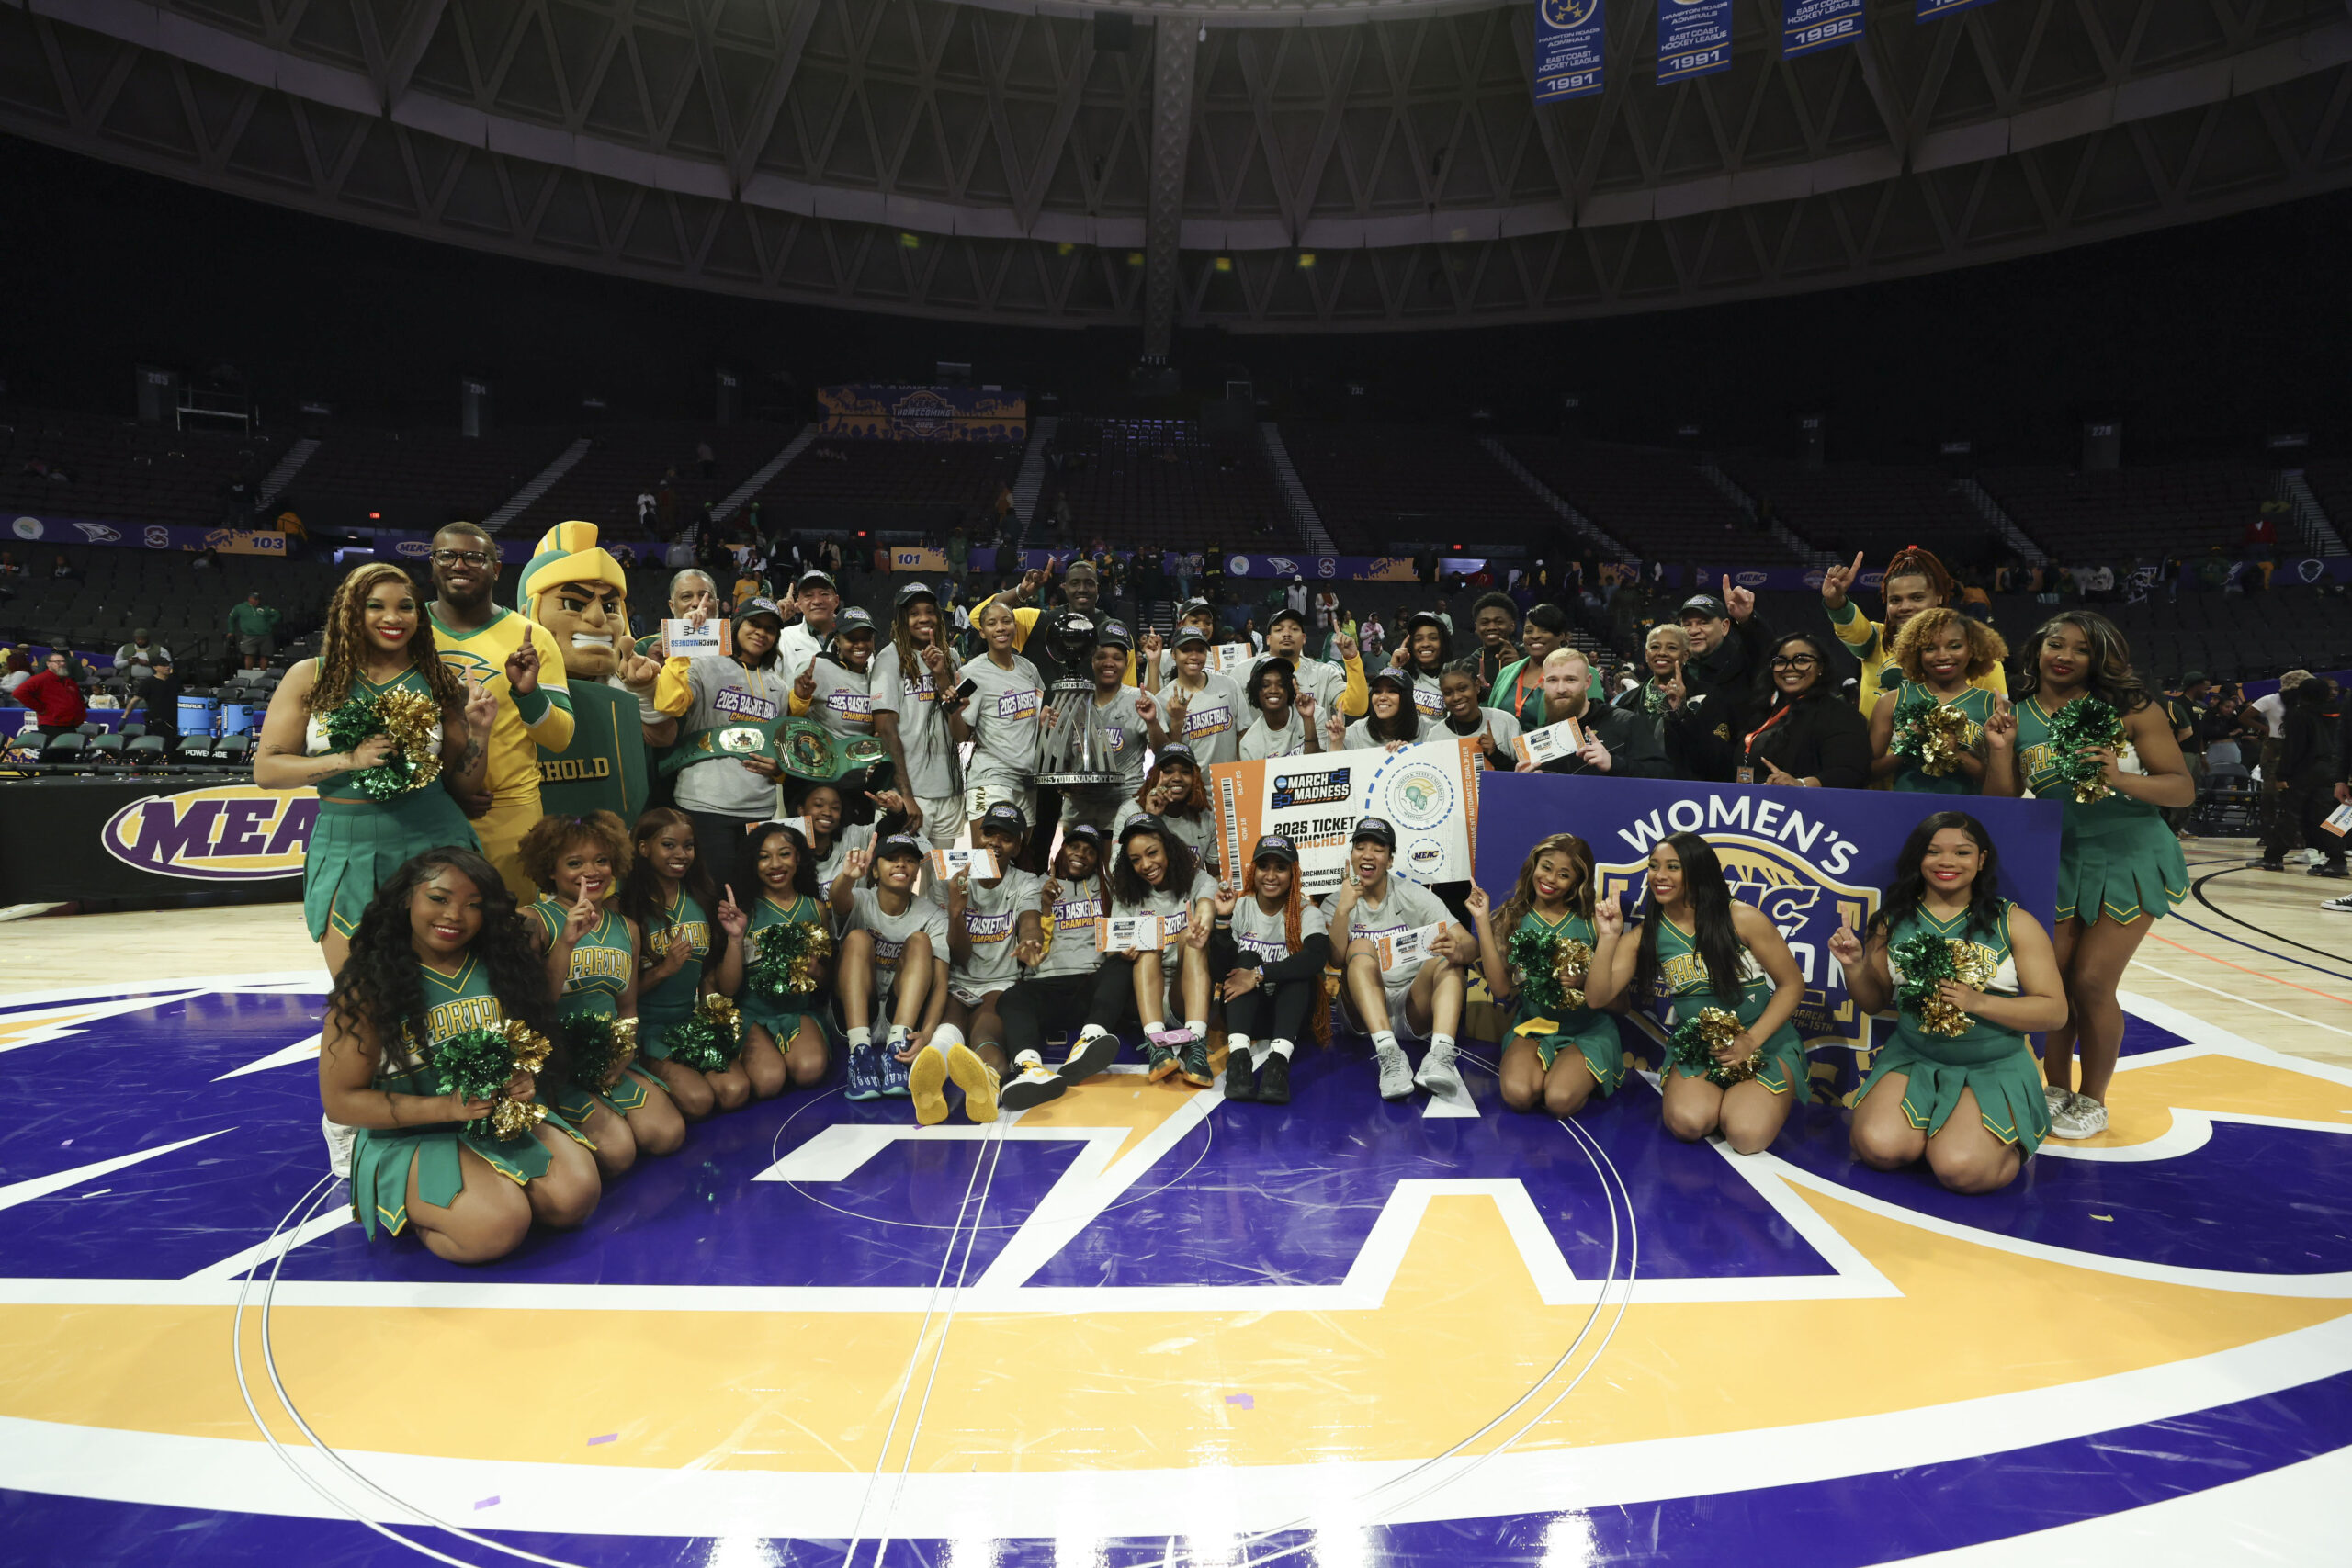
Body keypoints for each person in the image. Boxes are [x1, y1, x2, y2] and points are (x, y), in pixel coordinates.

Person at [319, 848, 600, 1263]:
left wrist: (523, 1077)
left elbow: (530, 1033)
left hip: (489, 1122)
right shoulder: (368, 987)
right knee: (496, 1229)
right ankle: (411, 1202)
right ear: (406, 899)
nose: (454, 915)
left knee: (575, 1198)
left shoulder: (500, 966)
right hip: (409, 1135)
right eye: (439, 898)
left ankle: (481, 1190)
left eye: (474, 905)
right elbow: (341, 1102)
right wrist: (446, 1108)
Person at [1982, 610, 2194, 1139]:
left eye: (2081, 649)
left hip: (2130, 853)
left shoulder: (2132, 708)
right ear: (2038, 648)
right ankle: (2055, 1087)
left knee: (2092, 982)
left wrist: (2119, 776)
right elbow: (2001, 801)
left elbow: (2180, 788)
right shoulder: (2016, 713)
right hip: (2058, 857)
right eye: (2056, 644)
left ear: (2098, 659)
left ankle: (2094, 1098)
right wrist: (2001, 752)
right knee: (2051, 981)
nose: (2065, 656)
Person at [254, 564, 494, 976]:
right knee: (359, 992)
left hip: (436, 838)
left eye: (406, 607)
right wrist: (347, 760)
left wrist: (480, 733)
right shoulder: (310, 676)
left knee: (442, 988)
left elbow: (461, 786)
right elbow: (268, 770)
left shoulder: (439, 681)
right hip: (347, 846)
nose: (393, 617)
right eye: (376, 606)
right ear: (350, 612)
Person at [1829, 812, 2070, 1193]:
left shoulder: (2013, 922)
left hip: (1991, 1064)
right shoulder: (1893, 919)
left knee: (1962, 1171)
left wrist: (1978, 1003)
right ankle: (1935, 1131)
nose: (1947, 862)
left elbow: (2055, 1012)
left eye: (1962, 852)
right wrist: (1854, 966)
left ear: (1981, 859)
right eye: (1933, 851)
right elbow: (1873, 1003)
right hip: (1914, 1057)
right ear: (1918, 858)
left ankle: (2001, 1142)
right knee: (1877, 1149)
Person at [1586, 832, 1809, 1153]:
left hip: (1762, 1042)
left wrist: (1751, 1040)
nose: (1659, 875)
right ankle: (1723, 1100)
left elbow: (1792, 985)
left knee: (1745, 1136)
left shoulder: (1742, 918)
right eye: (1653, 866)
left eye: (1673, 867)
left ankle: (1748, 1102)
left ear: (1697, 871)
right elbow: (1597, 998)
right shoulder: (1646, 934)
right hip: (1700, 1047)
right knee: (1688, 1123)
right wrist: (1608, 937)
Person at [518, 811, 687, 1178]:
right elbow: (532, 1010)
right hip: (554, 1065)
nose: (591, 872)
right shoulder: (532, 921)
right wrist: (566, 942)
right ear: (550, 869)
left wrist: (624, 1054)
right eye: (575, 863)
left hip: (606, 1059)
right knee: (618, 1153)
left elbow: (627, 1008)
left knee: (668, 1135)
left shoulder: (627, 927)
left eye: (601, 860)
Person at [426, 523, 576, 901]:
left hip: (509, 813)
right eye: (447, 555)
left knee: (512, 926)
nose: (459, 564)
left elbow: (560, 738)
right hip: (424, 808)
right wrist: (448, 790)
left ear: (495, 570)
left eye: (473, 557)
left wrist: (528, 695)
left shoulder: (533, 637)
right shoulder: (408, 630)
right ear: (432, 564)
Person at [628, 595, 791, 895]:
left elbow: (777, 745)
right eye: (754, 623)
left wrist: (778, 768)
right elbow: (669, 704)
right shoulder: (703, 665)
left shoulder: (778, 686)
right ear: (736, 625)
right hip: (705, 805)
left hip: (759, 808)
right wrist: (682, 646)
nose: (761, 632)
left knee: (750, 896)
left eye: (770, 628)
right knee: (712, 897)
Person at [1468, 833, 1624, 1117]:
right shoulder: (1513, 916)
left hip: (1587, 1030)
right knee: (1517, 1095)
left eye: (1563, 874)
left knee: (1559, 1101)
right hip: (1536, 1026)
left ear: (1576, 882)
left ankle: (1570, 1072)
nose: (1550, 879)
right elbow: (1501, 990)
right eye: (1546, 867)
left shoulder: (1594, 922)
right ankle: (1551, 1068)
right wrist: (1481, 920)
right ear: (1534, 866)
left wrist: (1584, 982)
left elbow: (1621, 1004)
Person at [1329, 816, 1476, 1101]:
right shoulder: (1337, 901)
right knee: (1359, 946)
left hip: (1412, 1008)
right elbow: (1335, 960)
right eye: (1360, 847)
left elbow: (1470, 944)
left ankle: (1440, 1055)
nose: (1368, 854)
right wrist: (1342, 911)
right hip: (1363, 1017)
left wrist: (1458, 951)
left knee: (1448, 957)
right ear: (1352, 854)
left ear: (1390, 860)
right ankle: (1388, 1053)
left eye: (1378, 849)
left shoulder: (1412, 894)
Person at [622, 807, 751, 1120]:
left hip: (690, 1022)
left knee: (734, 1091)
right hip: (648, 1027)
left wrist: (735, 939)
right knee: (699, 1100)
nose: (681, 854)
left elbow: (724, 987)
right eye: (669, 845)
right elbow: (620, 997)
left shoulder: (702, 898)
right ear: (643, 848)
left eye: (688, 846)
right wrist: (663, 971)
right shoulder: (625, 908)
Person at [523, 522, 654, 820]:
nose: (597, 618)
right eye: (573, 603)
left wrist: (645, 693)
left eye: (610, 607)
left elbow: (657, 744)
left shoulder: (629, 684)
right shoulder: (508, 686)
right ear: (527, 614)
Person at [994, 823, 1118, 1106]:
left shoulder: (1108, 887)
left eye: (1089, 851)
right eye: (1074, 846)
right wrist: (1046, 907)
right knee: (1011, 997)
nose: (1081, 854)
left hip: (1090, 985)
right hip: (1046, 984)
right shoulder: (1036, 885)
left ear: (1098, 860)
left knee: (1119, 967)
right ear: (1062, 850)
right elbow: (1033, 935)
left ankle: (1090, 1040)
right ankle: (1029, 1067)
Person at [934, 803, 1043, 1121]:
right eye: (989, 833)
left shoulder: (1025, 882)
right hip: (957, 980)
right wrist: (956, 913)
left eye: (1006, 838)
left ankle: (989, 1082)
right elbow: (959, 956)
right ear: (977, 836)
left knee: (983, 1034)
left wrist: (1030, 940)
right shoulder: (951, 877)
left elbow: (1030, 922)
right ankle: (928, 1084)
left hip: (999, 984)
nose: (995, 842)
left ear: (1017, 847)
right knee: (947, 1028)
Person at [1097, 813, 1217, 1085]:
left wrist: (1202, 925)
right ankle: (1157, 1047)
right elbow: (1112, 949)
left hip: (1184, 996)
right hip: (1142, 998)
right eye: (1136, 859)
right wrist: (1123, 953)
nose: (1146, 865)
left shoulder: (1198, 880)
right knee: (1147, 939)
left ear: (1168, 848)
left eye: (1152, 853)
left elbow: (1206, 906)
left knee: (1190, 937)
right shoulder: (1127, 892)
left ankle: (1196, 1045)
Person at [1212, 833, 1331, 1106]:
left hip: (1290, 1017)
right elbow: (1220, 972)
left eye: (1281, 868)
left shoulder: (1306, 912)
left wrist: (1259, 974)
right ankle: (1238, 1060)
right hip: (1245, 1015)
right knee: (1246, 957)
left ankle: (1278, 1064)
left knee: (1297, 968)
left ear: (1293, 873)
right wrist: (1223, 920)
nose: (1271, 875)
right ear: (1253, 871)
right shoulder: (1240, 906)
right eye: (1264, 866)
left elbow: (1315, 958)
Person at [831, 833, 950, 1102]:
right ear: (875, 870)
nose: (901, 864)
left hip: (904, 1013)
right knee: (858, 938)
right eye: (892, 858)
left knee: (920, 941)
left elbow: (941, 982)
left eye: (909, 860)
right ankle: (860, 1054)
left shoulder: (933, 915)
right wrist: (847, 877)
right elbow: (838, 898)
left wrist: (927, 1033)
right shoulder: (860, 898)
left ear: (917, 872)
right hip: (857, 1011)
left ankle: (897, 1049)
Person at [1671, 631, 1870, 788]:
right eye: (1781, 662)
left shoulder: (1838, 714)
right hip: (1750, 811)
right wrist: (1680, 711)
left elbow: (1850, 771)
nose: (1789, 667)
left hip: (1803, 818)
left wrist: (1801, 784)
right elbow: (1717, 761)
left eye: (1802, 660)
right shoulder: (1761, 713)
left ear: (1821, 668)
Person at [1821, 546, 2005, 716]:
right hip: (1875, 741)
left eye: (1917, 598)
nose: (1905, 607)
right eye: (1895, 600)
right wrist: (1836, 601)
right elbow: (1849, 626)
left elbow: (1999, 721)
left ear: (1939, 597)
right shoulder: (1877, 640)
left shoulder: (1976, 653)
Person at [730, 819, 830, 1095]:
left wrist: (817, 972)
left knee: (810, 1070)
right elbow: (727, 988)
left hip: (798, 1010)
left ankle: (791, 1050)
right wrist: (733, 939)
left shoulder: (815, 908)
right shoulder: (743, 910)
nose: (775, 864)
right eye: (764, 857)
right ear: (753, 863)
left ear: (798, 858)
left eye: (784, 854)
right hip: (752, 1013)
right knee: (768, 1082)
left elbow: (827, 979)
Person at [1868, 608, 2008, 795]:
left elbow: (2004, 787)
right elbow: (1867, 773)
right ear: (1916, 653)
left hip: (1968, 809)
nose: (1942, 656)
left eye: (1955, 646)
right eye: (1930, 648)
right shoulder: (1891, 701)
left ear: (1973, 649)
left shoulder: (1994, 706)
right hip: (1905, 807)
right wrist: (1909, 747)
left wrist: (1957, 755)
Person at [872, 581, 965, 856]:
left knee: (942, 876)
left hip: (949, 791)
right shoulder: (889, 659)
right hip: (912, 792)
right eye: (914, 613)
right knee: (904, 871)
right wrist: (907, 796)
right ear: (902, 619)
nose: (924, 618)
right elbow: (887, 731)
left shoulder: (952, 657)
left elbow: (957, 725)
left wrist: (941, 676)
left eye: (929, 611)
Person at [1046, 618, 1153, 839]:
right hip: (1079, 810)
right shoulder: (1072, 702)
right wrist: (1053, 731)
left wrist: (1152, 722)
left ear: (1126, 662)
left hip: (1124, 806)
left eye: (1117, 658)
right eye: (1101, 656)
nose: (1109, 663)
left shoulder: (1140, 700)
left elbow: (1162, 750)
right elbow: (1063, 762)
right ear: (1092, 660)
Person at [1508, 647, 1672, 778]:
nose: (1560, 688)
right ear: (1543, 684)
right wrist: (1523, 782)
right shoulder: (1536, 739)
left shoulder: (1625, 722)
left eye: (1570, 679)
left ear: (1587, 682)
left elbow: (1663, 773)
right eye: (1553, 680)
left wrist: (1614, 763)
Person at [954, 602, 1046, 828]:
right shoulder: (972, 672)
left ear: (1015, 626)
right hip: (991, 778)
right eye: (992, 623)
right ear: (982, 632)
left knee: (1021, 850)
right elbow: (961, 735)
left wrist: (1043, 720)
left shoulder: (1029, 669)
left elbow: (1035, 720)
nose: (1000, 628)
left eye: (1006, 621)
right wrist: (954, 711)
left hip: (1026, 780)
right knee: (988, 850)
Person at [2259, 677, 2346, 875]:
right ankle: (2337, 860)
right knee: (2326, 817)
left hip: (2305, 771)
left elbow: (2293, 749)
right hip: (2330, 770)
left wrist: (2282, 774)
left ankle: (2273, 858)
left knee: (2289, 816)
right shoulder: (2338, 713)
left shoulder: (2300, 714)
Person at [1147, 626, 1247, 767]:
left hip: (1228, 778)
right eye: (1186, 650)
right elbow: (1165, 755)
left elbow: (1242, 734)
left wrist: (1242, 772)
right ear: (1173, 654)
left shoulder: (1229, 685)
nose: (1194, 656)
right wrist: (1176, 722)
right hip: (1190, 780)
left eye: (1200, 650)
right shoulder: (1163, 699)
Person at [1254, 605, 1364, 723]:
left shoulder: (1324, 673)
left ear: (1303, 638)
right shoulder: (1245, 671)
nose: (1287, 634)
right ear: (1268, 639)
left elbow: (1357, 707)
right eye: (1279, 630)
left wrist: (1352, 659)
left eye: (1294, 629)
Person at [789, 605, 879, 743]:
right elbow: (785, 717)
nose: (860, 645)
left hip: (863, 754)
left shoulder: (877, 676)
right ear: (837, 640)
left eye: (866, 638)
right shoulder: (816, 668)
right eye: (852, 639)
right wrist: (800, 699)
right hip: (820, 753)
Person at [1136, 742, 1217, 877]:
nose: (1177, 778)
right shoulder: (1131, 811)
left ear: (1195, 778)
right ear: (1155, 775)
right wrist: (1150, 817)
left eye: (1185, 772)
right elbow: (1122, 871)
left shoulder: (1205, 817)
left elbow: (1216, 876)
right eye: (1168, 771)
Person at [1677, 581, 1772, 694]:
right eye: (1687, 624)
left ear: (1724, 627)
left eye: (1703, 623)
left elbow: (1766, 650)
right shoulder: (1674, 664)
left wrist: (1747, 620)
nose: (1693, 631)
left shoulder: (1743, 663)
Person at [1487, 604, 1569, 729]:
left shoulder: (1580, 673)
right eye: (1529, 631)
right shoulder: (1506, 672)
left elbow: (1593, 724)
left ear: (1561, 636)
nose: (1535, 636)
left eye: (1544, 630)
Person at [1238, 656, 1325, 760]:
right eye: (1265, 685)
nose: (1273, 690)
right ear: (1255, 691)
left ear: (1289, 688)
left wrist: (1308, 720)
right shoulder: (1248, 745)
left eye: (1281, 684)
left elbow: (1319, 763)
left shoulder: (1315, 715)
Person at [1435, 663, 1518, 771]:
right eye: (1447, 693)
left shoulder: (1505, 722)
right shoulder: (1436, 735)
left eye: (1462, 689)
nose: (1456, 697)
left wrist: (1495, 754)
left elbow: (1526, 773)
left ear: (1477, 686)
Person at [776, 569, 842, 683]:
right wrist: (774, 618)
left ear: (836, 601)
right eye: (808, 595)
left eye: (824, 594)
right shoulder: (783, 638)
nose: (817, 601)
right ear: (799, 604)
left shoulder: (853, 637)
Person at [1338, 667, 1422, 752]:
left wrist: (1410, 754)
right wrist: (1336, 744)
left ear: (1407, 698)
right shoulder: (1356, 732)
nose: (1382, 697)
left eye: (1392, 691)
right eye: (1377, 691)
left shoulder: (1426, 729)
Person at [1389, 611, 1451, 724]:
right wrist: (1393, 668)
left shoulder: (1452, 678)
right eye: (1418, 639)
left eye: (1433, 638)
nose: (1425, 644)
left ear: (1443, 642)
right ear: (1411, 644)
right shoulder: (1402, 676)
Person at [13, 651, 87, 738]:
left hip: (71, 725)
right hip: (52, 725)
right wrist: (40, 708)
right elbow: (18, 693)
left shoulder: (69, 682)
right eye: (57, 662)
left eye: (64, 661)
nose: (62, 664)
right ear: (48, 664)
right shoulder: (40, 679)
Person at [1466, 592, 1521, 697]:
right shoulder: (1468, 665)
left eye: (1499, 622)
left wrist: (1520, 670)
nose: (1491, 627)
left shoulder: (1528, 659)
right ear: (1476, 628)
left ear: (1512, 626)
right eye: (1484, 622)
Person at [225, 590, 283, 671]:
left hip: (265, 635)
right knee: (249, 655)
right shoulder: (240, 607)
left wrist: (270, 623)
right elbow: (231, 618)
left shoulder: (265, 608)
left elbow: (277, 614)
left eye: (258, 599)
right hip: (249, 635)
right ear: (249, 599)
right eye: (255, 599)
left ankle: (263, 674)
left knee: (265, 656)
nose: (257, 601)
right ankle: (249, 674)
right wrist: (231, 631)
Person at [131, 659, 184, 741]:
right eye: (164, 665)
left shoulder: (175, 680)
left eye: (168, 665)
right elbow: (135, 699)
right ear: (155, 667)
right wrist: (124, 717)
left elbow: (182, 696)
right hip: (158, 719)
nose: (167, 667)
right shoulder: (148, 682)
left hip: (175, 717)